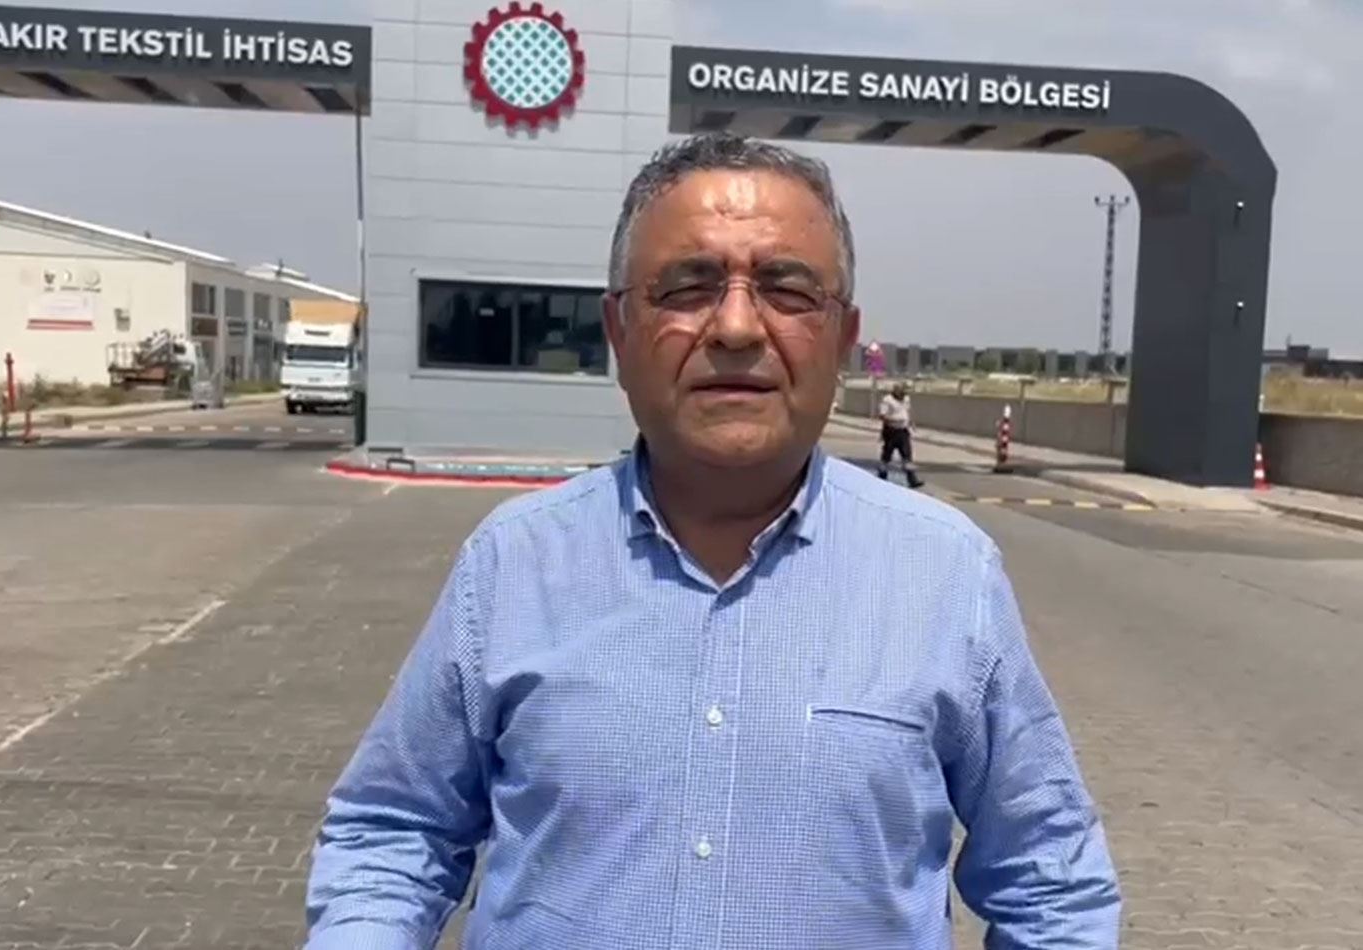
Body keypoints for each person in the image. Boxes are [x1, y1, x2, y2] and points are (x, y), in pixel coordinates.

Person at [304, 133, 1121, 949]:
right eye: (688, 287)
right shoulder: (514, 563)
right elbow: (394, 831)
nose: (735, 327)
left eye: (786, 289)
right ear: (619, 330)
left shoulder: (944, 574)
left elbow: (1051, 884)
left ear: (843, 338)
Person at [878, 379, 925, 488]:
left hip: (903, 431)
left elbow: (907, 412)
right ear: (896, 390)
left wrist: (910, 423)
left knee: (907, 455)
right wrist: (893, 420)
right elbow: (882, 415)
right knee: (887, 455)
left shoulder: (906, 399)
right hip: (891, 431)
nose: (904, 394)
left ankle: (912, 479)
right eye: (902, 391)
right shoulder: (887, 400)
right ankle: (882, 476)